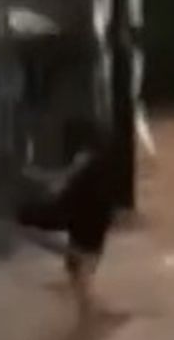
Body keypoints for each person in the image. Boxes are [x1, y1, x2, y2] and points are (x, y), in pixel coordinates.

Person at [15, 114, 116, 322]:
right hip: (97, 214)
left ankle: (90, 313)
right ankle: (88, 315)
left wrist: (34, 175)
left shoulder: (84, 158)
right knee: (80, 270)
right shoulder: (100, 159)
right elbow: (65, 181)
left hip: (83, 213)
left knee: (78, 265)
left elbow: (61, 179)